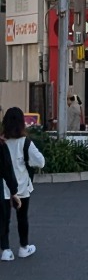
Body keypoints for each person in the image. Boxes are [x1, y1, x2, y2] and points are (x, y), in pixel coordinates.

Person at [0, 107, 45, 261]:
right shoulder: (25, 142)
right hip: (21, 186)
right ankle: (23, 247)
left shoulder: (1, 141)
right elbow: (40, 161)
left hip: (3, 187)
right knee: (22, 217)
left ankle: (5, 250)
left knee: (3, 219)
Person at [0, 115, 24, 262]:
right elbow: (6, 169)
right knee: (3, 218)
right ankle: (5, 249)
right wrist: (14, 191)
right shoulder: (1, 145)